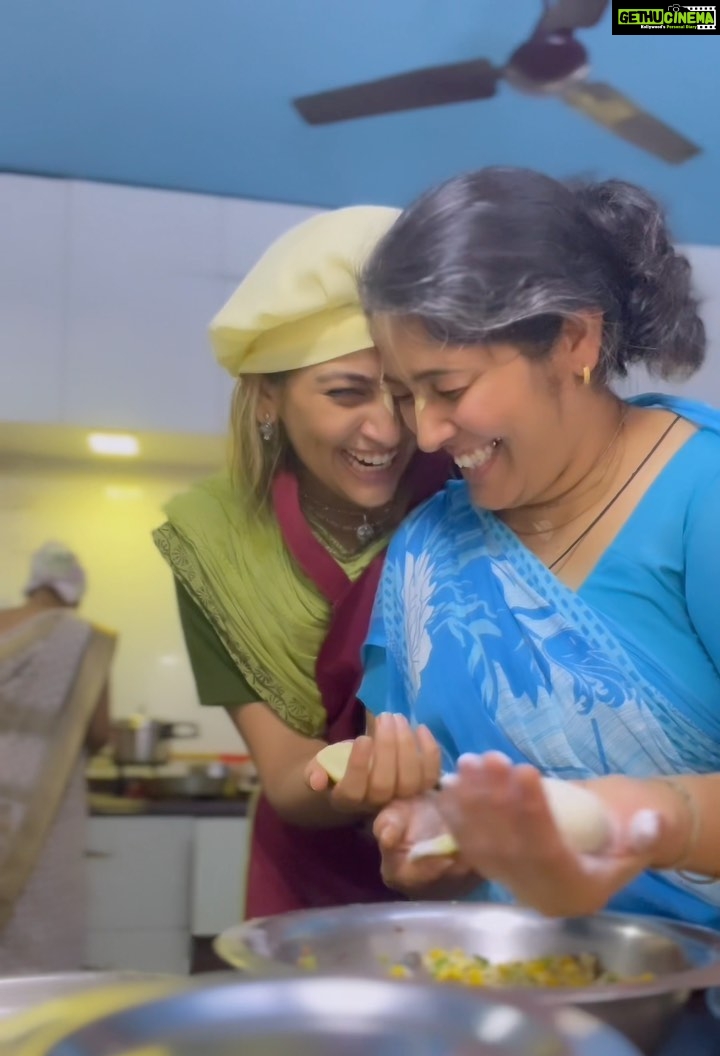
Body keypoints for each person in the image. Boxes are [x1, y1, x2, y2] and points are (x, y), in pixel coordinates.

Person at [343, 166, 720, 926]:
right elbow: (449, 825)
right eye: (406, 394)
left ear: (574, 339)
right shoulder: (427, 552)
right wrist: (432, 848)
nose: (425, 433)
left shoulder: (700, 497)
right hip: (510, 1010)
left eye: (447, 389)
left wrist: (639, 820)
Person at [154, 207, 449, 922]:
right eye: (345, 392)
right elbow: (288, 774)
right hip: (312, 882)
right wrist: (360, 775)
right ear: (267, 397)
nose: (387, 429)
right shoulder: (214, 545)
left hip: (471, 861)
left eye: (407, 393)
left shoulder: (465, 497)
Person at [0, 542, 115, 972]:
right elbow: (99, 732)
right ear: (75, 591)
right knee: (39, 925)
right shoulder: (85, 639)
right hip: (45, 810)